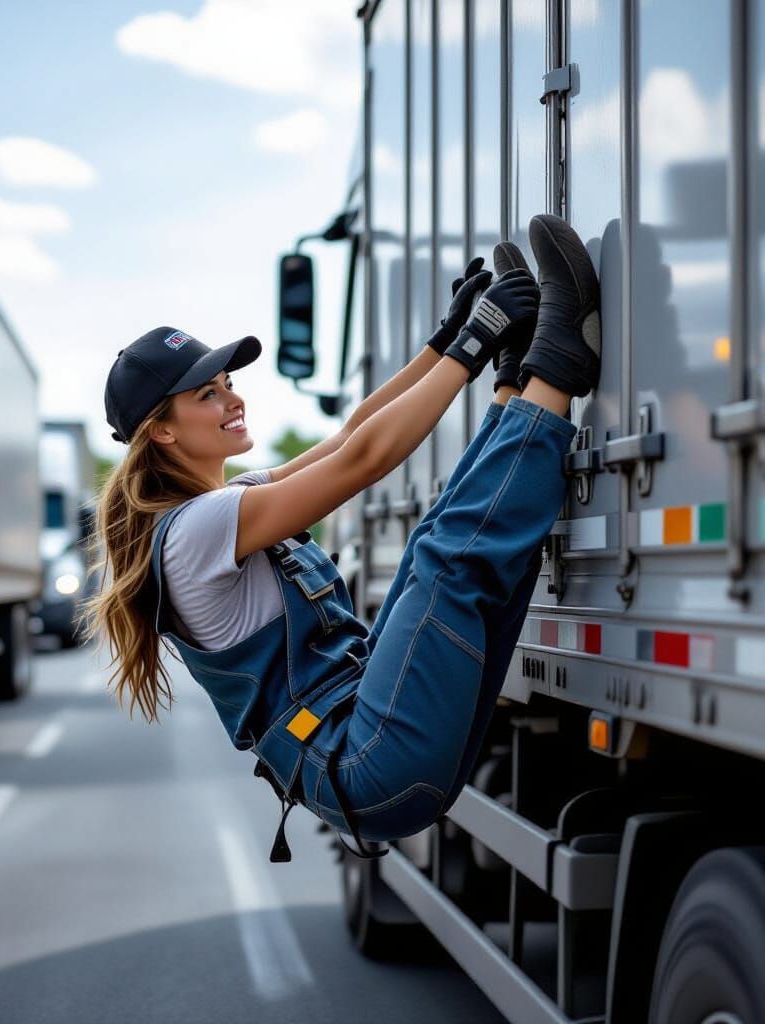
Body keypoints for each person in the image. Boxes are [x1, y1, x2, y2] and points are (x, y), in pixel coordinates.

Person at [82, 213, 602, 862]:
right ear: (162, 431)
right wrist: (471, 345)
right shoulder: (198, 529)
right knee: (444, 563)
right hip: (365, 759)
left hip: (368, 738)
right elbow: (363, 464)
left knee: (427, 550)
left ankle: (516, 384)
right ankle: (559, 363)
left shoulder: (223, 505)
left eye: (229, 385)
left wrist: (447, 344)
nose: (232, 401)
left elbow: (351, 433)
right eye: (207, 396)